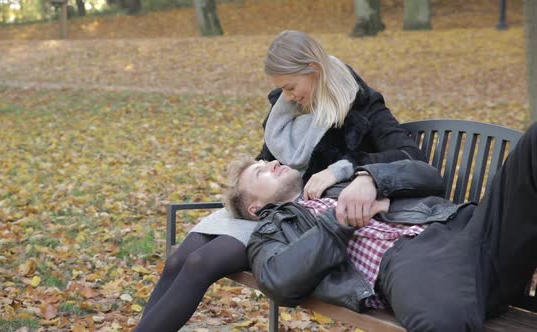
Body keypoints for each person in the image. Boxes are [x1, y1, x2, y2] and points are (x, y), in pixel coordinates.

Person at [135, 30, 424, 331]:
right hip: (269, 201)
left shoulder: (360, 104)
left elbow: (409, 155)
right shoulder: (286, 106)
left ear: (313, 69)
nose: (287, 96)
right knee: (178, 260)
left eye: (291, 87)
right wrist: (248, 187)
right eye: (282, 89)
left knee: (200, 263)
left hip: (302, 217)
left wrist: (341, 169)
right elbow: (267, 157)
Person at [224, 123, 537, 331]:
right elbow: (280, 280)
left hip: (469, 227)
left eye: (266, 161)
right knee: (440, 322)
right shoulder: (270, 234)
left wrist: (370, 179)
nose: (272, 163)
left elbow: (429, 177)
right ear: (256, 207)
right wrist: (339, 221)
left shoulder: (332, 182)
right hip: (417, 264)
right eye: (260, 171)